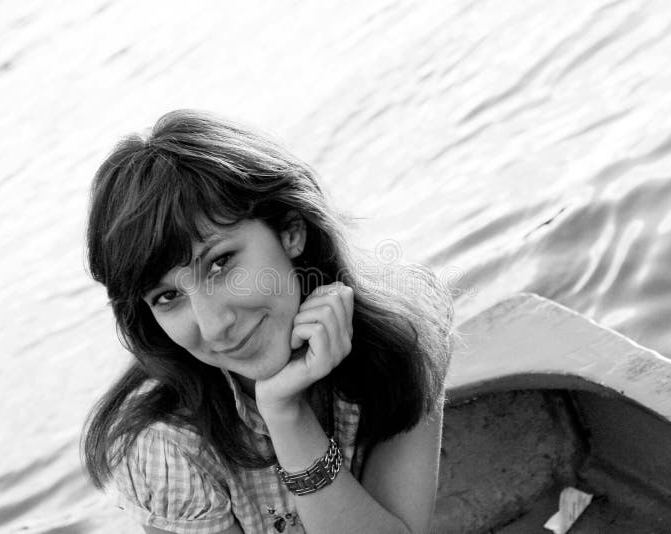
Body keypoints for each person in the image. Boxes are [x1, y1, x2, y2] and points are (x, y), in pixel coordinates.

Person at [82, 109, 453, 534]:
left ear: (291, 230)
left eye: (220, 263)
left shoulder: (404, 327)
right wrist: (283, 409)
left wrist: (288, 419)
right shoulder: (167, 446)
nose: (214, 324)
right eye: (167, 297)